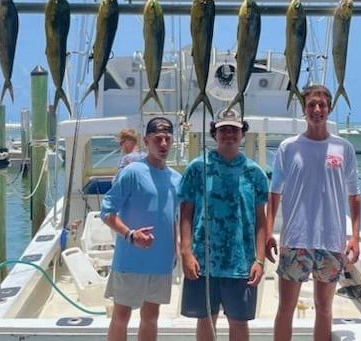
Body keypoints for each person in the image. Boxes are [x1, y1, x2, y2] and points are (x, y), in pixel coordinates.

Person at [266, 85, 361, 341]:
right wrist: (267, 232)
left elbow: (354, 195)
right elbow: (274, 193)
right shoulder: (288, 147)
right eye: (311, 105)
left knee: (324, 309)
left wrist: (354, 236)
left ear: (329, 109)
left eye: (322, 105)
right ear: (304, 109)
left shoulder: (344, 148)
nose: (316, 110)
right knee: (285, 308)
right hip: (295, 240)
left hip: (331, 241)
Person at [179, 108, 268, 341]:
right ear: (214, 134)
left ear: (242, 134)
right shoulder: (197, 169)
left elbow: (261, 220)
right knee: (206, 319)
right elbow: (186, 213)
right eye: (223, 130)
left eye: (234, 130)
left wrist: (259, 260)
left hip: (241, 263)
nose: (229, 134)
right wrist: (186, 252)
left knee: (239, 323)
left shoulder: (255, 173)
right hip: (203, 261)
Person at [101, 117, 181, 341]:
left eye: (167, 139)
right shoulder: (132, 172)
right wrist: (130, 234)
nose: (163, 144)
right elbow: (106, 212)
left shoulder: (177, 179)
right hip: (129, 260)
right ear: (146, 140)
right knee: (121, 315)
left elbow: (174, 217)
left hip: (161, 263)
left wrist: (177, 248)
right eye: (158, 139)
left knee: (151, 316)